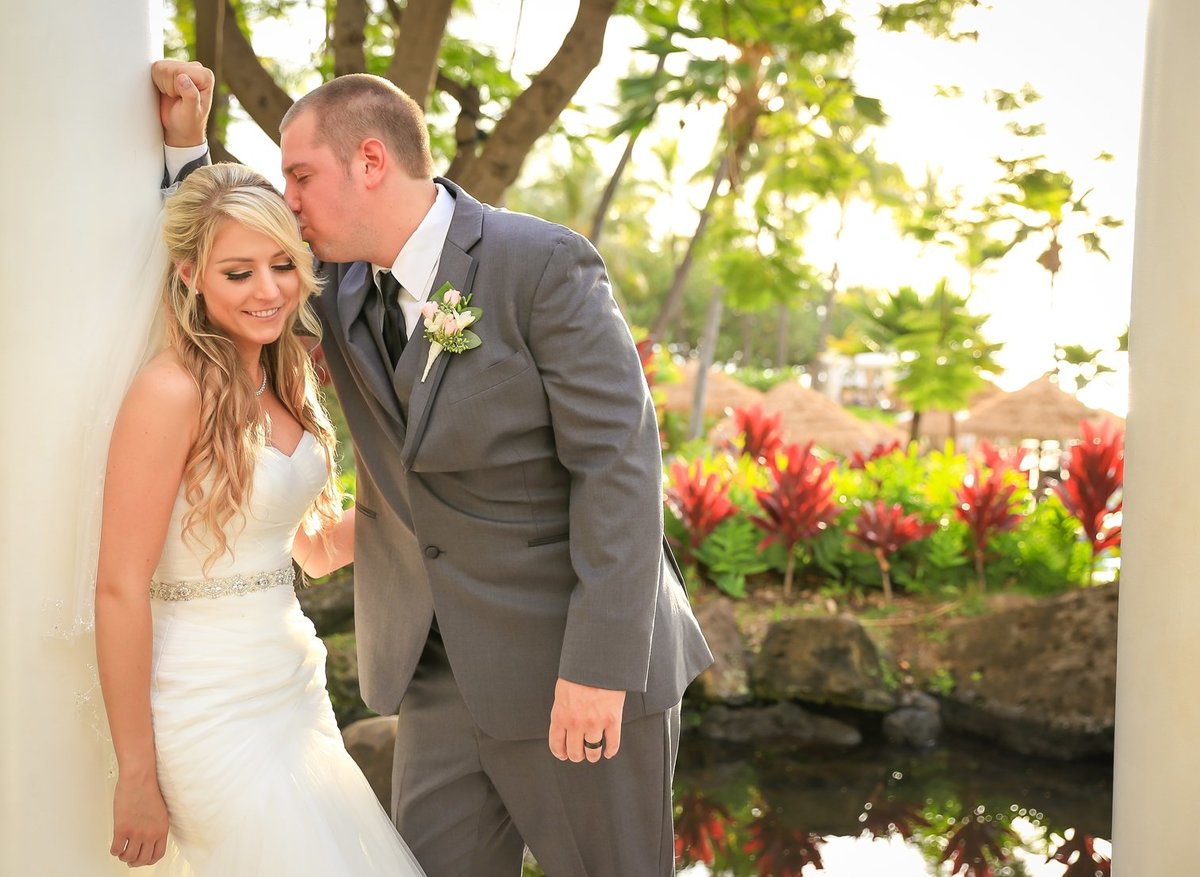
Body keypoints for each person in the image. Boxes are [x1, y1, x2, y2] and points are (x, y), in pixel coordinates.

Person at [156, 58, 713, 876]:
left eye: (302, 175)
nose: (292, 202)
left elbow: (620, 468)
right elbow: (226, 268)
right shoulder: (336, 286)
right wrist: (186, 154)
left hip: (573, 664)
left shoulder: (542, 266)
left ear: (371, 162)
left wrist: (599, 669)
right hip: (437, 675)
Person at [94, 158, 426, 875]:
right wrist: (136, 773)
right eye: (238, 273)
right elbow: (119, 587)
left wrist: (414, 476)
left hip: (293, 690)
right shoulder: (169, 391)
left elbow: (315, 549)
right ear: (190, 275)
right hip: (206, 707)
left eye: (282, 264)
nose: (269, 290)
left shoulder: (289, 379)